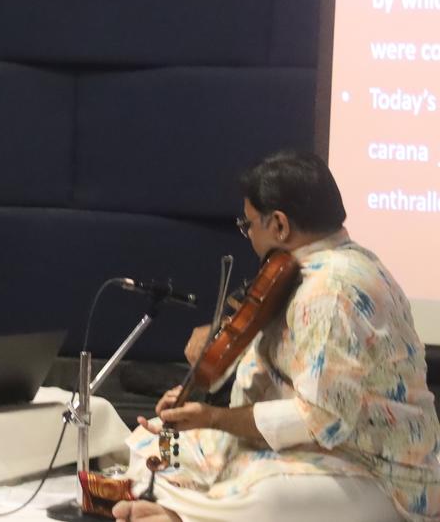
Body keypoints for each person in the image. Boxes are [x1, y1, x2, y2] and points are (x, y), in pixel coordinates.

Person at [113, 151, 440, 522]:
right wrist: (199, 401)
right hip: (302, 453)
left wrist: (214, 418)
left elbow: (321, 420)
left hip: (377, 472)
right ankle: (187, 509)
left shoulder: (331, 289)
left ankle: (180, 511)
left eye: (248, 224)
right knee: (152, 444)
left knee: (265, 496)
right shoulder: (302, 269)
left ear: (280, 225)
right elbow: (273, 368)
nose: (248, 235)